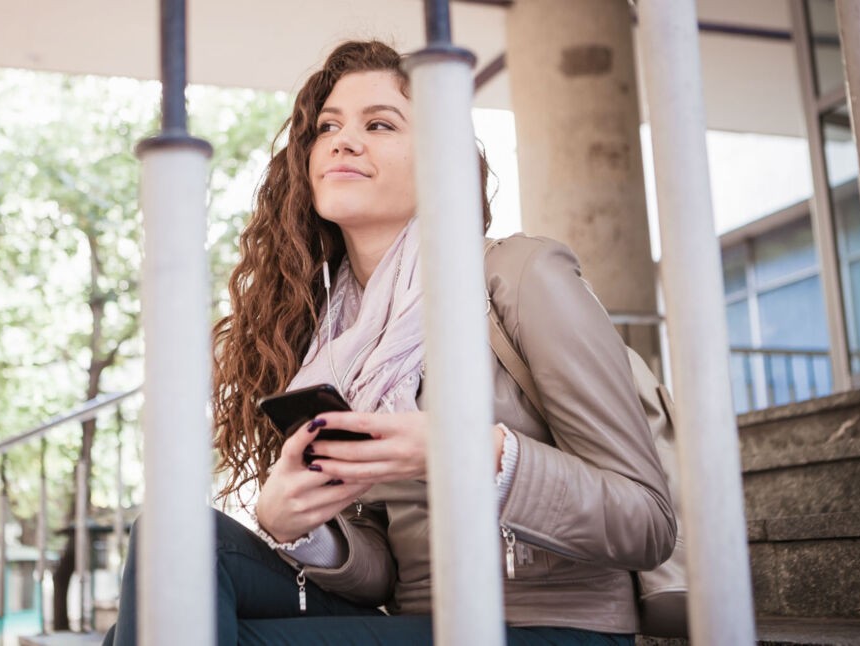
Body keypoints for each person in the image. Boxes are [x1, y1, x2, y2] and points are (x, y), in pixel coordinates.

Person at [104, 40, 675, 646]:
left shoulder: (521, 277)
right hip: (417, 621)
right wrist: (300, 529)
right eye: (328, 126)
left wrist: (463, 450)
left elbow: (645, 521)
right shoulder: (337, 338)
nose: (342, 141)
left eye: (379, 124)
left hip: (554, 625)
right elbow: (382, 574)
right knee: (172, 548)